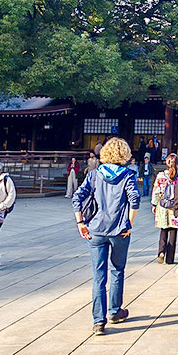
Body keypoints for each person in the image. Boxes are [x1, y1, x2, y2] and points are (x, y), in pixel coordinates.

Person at [72, 137, 140, 336]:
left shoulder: (94, 175)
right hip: (119, 229)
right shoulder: (128, 174)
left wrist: (80, 222)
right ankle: (114, 311)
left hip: (96, 229)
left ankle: (98, 321)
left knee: (98, 276)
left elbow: (78, 197)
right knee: (117, 270)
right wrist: (129, 224)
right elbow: (134, 200)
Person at [151, 154, 178, 264]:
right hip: (174, 207)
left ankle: (161, 251)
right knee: (173, 231)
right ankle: (170, 258)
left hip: (162, 205)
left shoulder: (161, 176)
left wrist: (154, 205)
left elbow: (156, 191)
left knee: (163, 230)